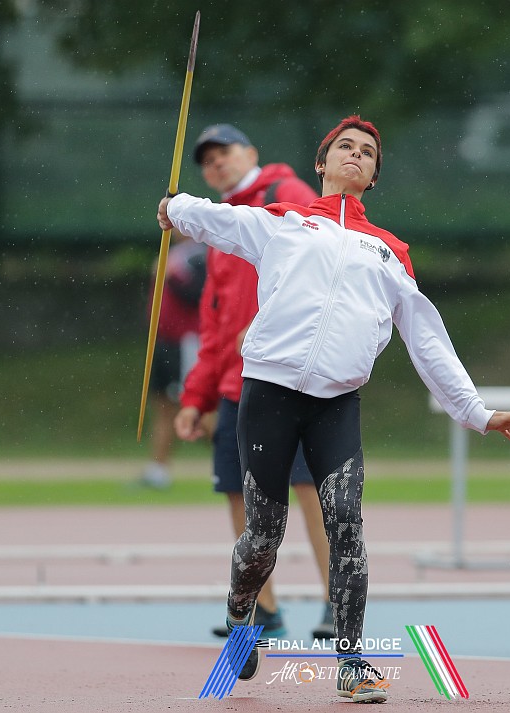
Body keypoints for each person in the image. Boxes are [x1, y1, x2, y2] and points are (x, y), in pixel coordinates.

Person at [157, 116, 510, 703]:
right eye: (345, 147)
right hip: (269, 395)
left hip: (335, 404)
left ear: (374, 176)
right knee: (264, 535)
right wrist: (175, 209)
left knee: (347, 527)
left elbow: (428, 341)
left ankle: (353, 662)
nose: (356, 155)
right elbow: (218, 220)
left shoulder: (390, 253)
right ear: (322, 162)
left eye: (367, 153)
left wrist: (477, 412)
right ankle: (240, 616)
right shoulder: (283, 223)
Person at [172, 124, 334, 640]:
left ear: (251, 153)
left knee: (310, 493)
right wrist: (196, 397)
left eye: (225, 152)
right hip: (236, 388)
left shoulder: (286, 193)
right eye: (208, 160)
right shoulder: (221, 230)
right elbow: (215, 325)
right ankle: (262, 609)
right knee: (241, 497)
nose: (217, 163)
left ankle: (337, 602)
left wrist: (270, 321)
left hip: (290, 379)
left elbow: (327, 264)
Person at [139, 231, 205, 489]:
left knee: (195, 406)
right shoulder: (176, 254)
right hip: (164, 342)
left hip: (184, 343)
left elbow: (198, 295)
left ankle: (234, 459)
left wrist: (173, 275)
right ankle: (158, 469)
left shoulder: (200, 256)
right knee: (163, 405)